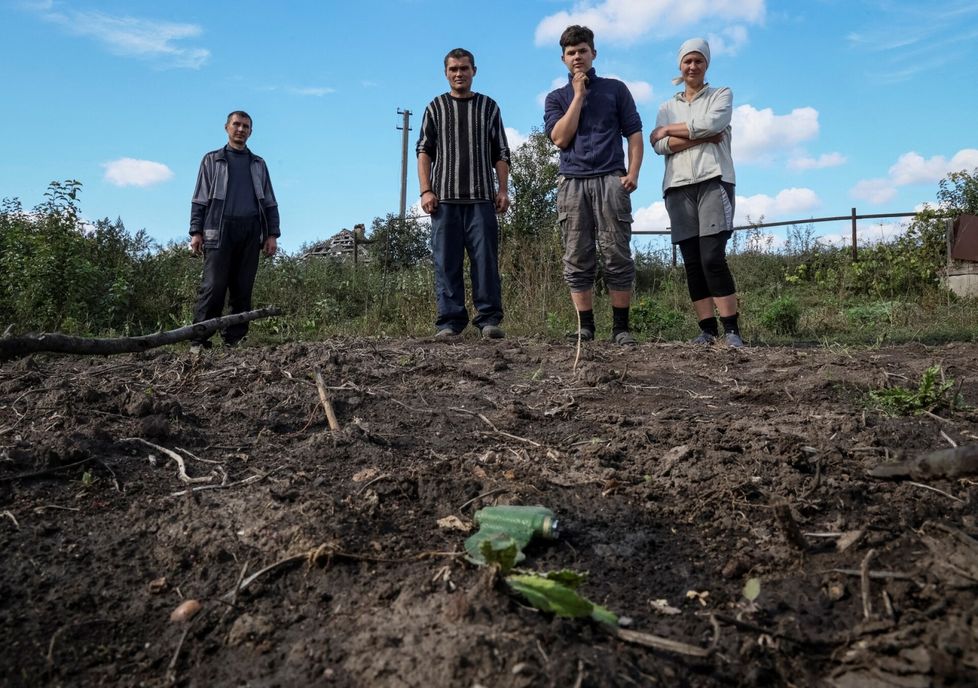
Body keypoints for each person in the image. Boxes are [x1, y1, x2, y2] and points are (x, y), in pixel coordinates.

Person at [544, 24, 644, 345]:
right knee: (577, 254)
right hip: (572, 182)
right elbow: (560, 138)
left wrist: (633, 173)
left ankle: (621, 329)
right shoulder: (556, 98)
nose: (577, 57)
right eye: (571, 53)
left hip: (611, 178)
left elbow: (634, 133)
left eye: (582, 51)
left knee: (616, 252)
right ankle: (585, 327)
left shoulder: (616, 89)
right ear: (563, 59)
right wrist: (578, 95)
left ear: (593, 53)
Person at [650, 38, 743, 348]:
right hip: (677, 186)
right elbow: (659, 144)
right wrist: (696, 137)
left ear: (706, 65)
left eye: (698, 61)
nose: (692, 66)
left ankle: (732, 331)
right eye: (687, 61)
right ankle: (707, 330)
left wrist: (670, 130)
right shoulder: (667, 107)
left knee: (712, 257)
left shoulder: (721, 94)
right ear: (680, 65)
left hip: (714, 180)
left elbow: (714, 122)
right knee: (692, 260)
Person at [417, 48, 511, 339]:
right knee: (446, 263)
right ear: (446, 73)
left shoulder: (489, 107)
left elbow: (501, 153)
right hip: (444, 201)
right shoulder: (435, 107)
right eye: (453, 69)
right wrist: (425, 190)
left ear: (474, 71)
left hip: (482, 199)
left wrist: (503, 189)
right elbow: (424, 151)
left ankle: (489, 320)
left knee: (485, 262)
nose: (459, 74)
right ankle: (449, 322)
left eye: (464, 68)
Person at [188, 110, 280, 350]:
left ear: (250, 132)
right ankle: (200, 340)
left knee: (242, 287)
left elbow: (269, 201)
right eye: (236, 125)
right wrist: (196, 231)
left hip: (250, 230)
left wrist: (272, 234)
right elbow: (199, 199)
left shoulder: (258, 164)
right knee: (214, 285)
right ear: (227, 128)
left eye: (246, 126)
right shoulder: (212, 160)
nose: (241, 130)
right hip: (218, 228)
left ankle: (234, 340)